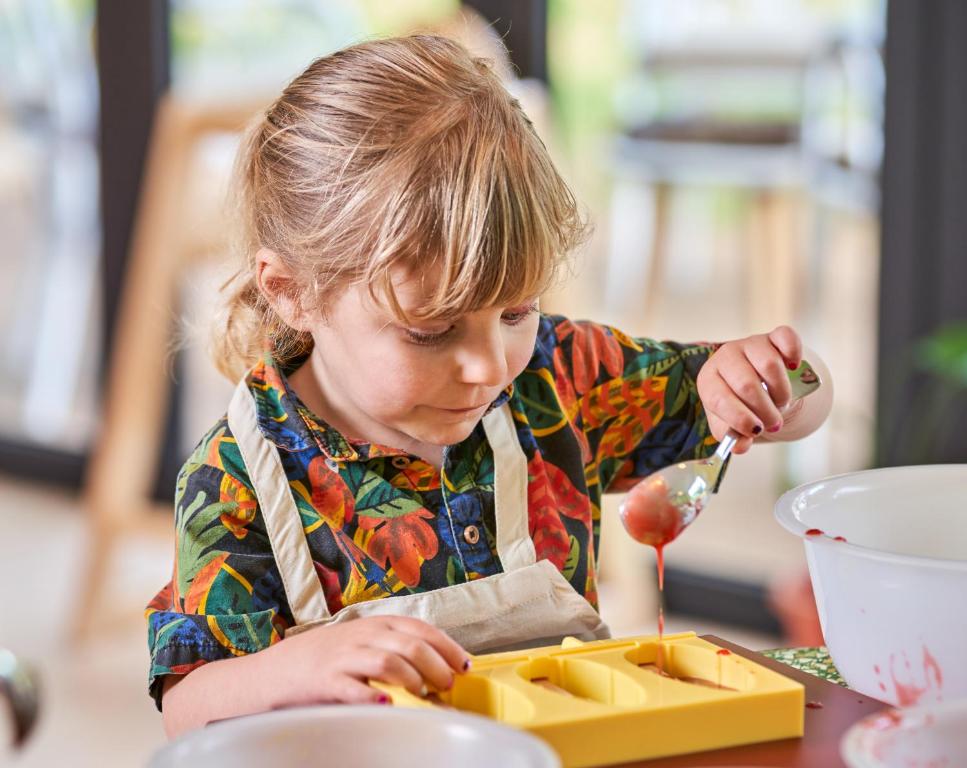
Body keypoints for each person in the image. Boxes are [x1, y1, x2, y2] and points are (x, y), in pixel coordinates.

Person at [146, 34, 833, 738]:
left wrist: (771, 383)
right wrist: (299, 668)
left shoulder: (558, 378)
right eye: (430, 331)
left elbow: (803, 396)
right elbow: (186, 707)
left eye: (514, 312)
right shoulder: (236, 476)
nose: (486, 365)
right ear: (293, 293)